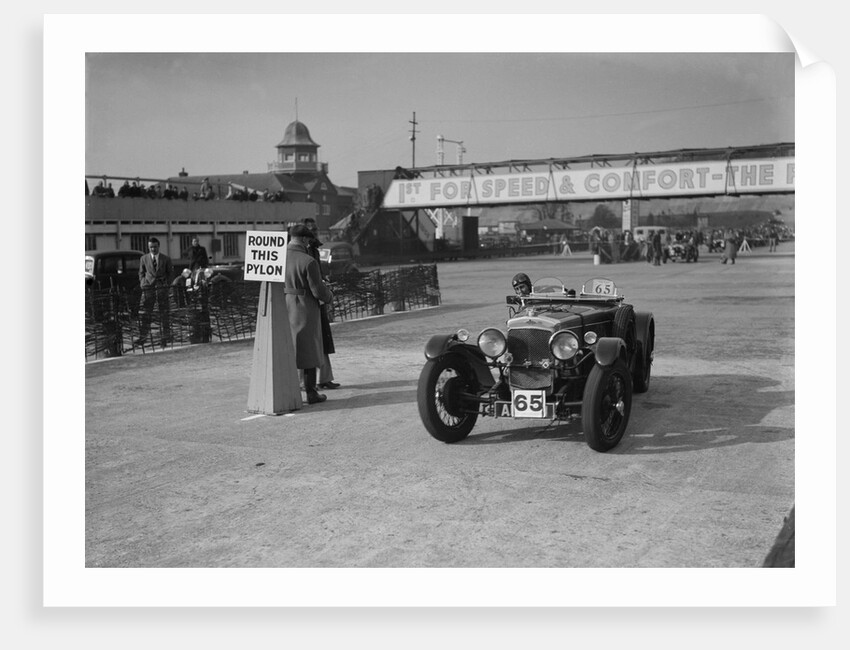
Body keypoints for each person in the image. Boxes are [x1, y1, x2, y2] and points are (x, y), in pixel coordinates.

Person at [285, 224, 334, 404]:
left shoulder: (278, 258)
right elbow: (318, 291)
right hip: (304, 307)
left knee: (289, 349)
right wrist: (329, 296)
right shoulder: (308, 261)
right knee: (309, 350)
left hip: (285, 305)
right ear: (305, 240)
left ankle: (291, 390)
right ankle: (311, 393)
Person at [302, 217, 340, 390]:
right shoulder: (301, 251)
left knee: (323, 337)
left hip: (317, 297)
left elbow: (317, 271)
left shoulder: (314, 250)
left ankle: (324, 378)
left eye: (314, 229)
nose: (313, 233)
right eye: (310, 230)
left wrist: (323, 281)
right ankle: (306, 382)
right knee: (307, 340)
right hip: (306, 300)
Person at [137, 237, 174, 346]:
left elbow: (170, 273)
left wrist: (167, 284)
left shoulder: (166, 259)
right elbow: (141, 273)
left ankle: (165, 338)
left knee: (164, 313)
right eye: (151, 247)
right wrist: (143, 283)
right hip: (149, 289)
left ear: (159, 247)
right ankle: (143, 338)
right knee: (146, 314)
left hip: (162, 289)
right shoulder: (143, 258)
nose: (153, 249)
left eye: (155, 247)